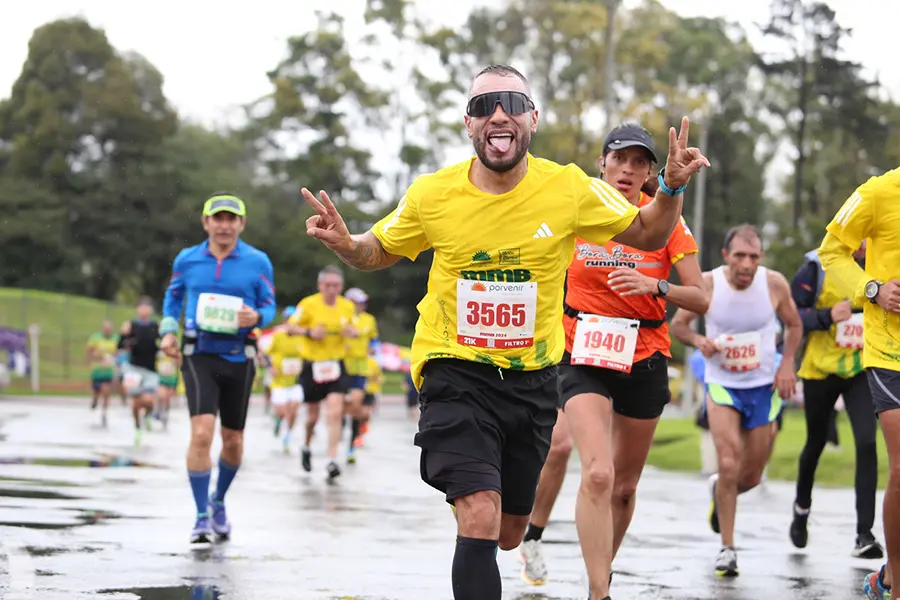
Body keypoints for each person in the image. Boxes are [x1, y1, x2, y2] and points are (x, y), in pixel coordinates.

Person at [301, 63, 708, 600]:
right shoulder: (432, 194)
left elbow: (651, 231)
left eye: (512, 104)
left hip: (532, 380)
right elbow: (378, 250)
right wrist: (347, 244)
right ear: (468, 124)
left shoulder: (568, 188)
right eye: (482, 105)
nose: (498, 114)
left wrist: (671, 185)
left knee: (509, 532)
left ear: (532, 119)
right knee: (478, 511)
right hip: (454, 369)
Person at [517, 123, 709, 597]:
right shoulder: (578, 206)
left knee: (624, 487)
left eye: (639, 162)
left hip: (645, 356)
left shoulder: (664, 220)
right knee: (596, 471)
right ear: (602, 162)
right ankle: (591, 585)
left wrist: (657, 286)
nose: (627, 169)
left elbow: (701, 299)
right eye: (619, 159)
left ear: (648, 171)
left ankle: (598, 576)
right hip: (581, 352)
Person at [670, 224, 801, 577]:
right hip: (722, 385)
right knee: (729, 463)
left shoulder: (773, 285)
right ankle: (727, 548)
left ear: (761, 259)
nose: (747, 264)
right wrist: (700, 343)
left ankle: (720, 491)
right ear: (726, 256)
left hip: (761, 387)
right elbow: (679, 326)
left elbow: (794, 324)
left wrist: (787, 363)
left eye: (754, 257)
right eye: (740, 256)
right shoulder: (709, 284)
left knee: (752, 475)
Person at [159, 192, 276, 544]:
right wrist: (168, 328)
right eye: (218, 218)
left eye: (231, 219)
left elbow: (270, 307)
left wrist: (256, 316)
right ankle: (199, 517)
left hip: (240, 356)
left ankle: (218, 500)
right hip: (199, 353)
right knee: (201, 434)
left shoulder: (258, 262)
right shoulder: (188, 259)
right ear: (206, 222)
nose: (224, 225)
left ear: (241, 224)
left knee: (233, 439)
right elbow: (173, 297)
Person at [815, 169, 900, 600]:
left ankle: (887, 574)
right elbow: (832, 252)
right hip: (891, 351)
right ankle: (897, 583)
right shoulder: (878, 192)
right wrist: (873, 288)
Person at [789, 245, 882, 558]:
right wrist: (826, 316)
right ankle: (801, 510)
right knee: (815, 443)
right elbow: (790, 315)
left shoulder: (882, 262)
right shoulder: (817, 266)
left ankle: (864, 534)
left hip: (860, 368)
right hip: (821, 370)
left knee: (867, 443)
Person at [287, 266, 355, 479]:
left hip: (336, 364)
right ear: (320, 286)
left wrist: (351, 332)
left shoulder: (347, 306)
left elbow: (354, 329)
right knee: (313, 416)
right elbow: (289, 328)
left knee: (335, 411)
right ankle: (306, 446)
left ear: (341, 287)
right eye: (328, 285)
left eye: (336, 286)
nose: (332, 290)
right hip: (313, 365)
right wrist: (308, 332)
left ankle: (332, 459)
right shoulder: (308, 304)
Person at [343, 287, 380, 462]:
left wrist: (373, 349)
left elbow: (374, 340)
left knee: (356, 406)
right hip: (341, 365)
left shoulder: (369, 320)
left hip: (360, 367)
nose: (361, 305)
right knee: (340, 405)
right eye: (358, 302)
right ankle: (340, 429)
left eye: (362, 302)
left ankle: (351, 445)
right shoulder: (341, 317)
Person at [119, 298, 161, 447]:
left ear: (150, 310)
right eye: (141, 307)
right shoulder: (131, 325)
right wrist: (123, 334)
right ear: (137, 309)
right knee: (136, 402)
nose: (144, 310)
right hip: (133, 368)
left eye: (147, 307)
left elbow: (160, 345)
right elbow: (120, 346)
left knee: (149, 400)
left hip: (150, 369)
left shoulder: (155, 326)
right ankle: (137, 428)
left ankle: (148, 415)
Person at [267, 307, 306, 454]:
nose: (291, 322)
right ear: (284, 320)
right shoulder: (278, 335)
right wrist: (271, 367)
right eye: (288, 319)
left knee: (293, 411)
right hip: (279, 380)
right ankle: (278, 419)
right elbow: (266, 353)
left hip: (296, 381)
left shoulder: (302, 336)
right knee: (283, 412)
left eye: (293, 319)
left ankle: (287, 436)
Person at [85, 320, 118, 428]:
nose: (107, 330)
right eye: (106, 328)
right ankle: (94, 399)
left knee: (106, 391)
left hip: (108, 370)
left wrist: (115, 362)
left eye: (109, 329)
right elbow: (89, 351)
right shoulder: (95, 338)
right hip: (97, 369)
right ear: (103, 328)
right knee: (96, 390)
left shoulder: (115, 339)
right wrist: (91, 361)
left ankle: (104, 412)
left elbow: (117, 352)